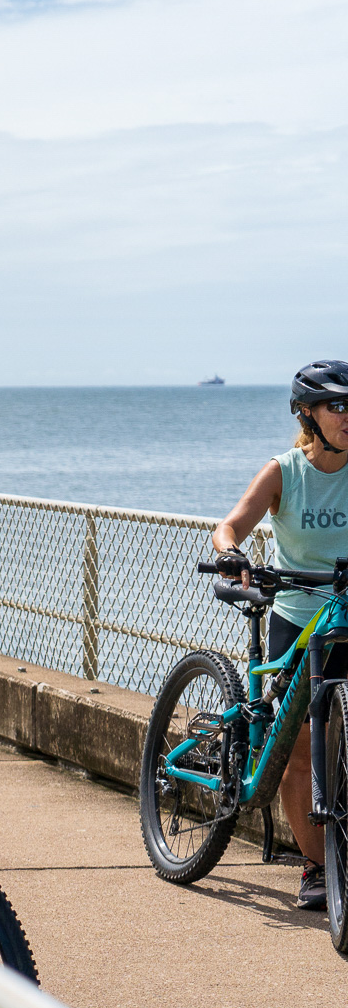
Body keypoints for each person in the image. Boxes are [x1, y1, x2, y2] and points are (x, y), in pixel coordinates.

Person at [211, 360, 348, 910]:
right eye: (336, 406)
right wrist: (231, 555)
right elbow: (231, 525)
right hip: (297, 616)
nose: (347, 417)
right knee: (296, 749)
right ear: (308, 416)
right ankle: (315, 869)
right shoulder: (285, 471)